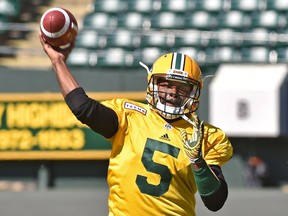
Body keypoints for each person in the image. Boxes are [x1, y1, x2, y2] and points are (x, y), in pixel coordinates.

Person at [39, 32, 233, 215]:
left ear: (193, 93)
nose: (173, 93)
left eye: (182, 88)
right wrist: (58, 61)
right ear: (153, 84)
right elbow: (83, 108)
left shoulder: (206, 135)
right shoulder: (130, 115)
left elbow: (215, 202)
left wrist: (198, 162)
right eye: (166, 84)